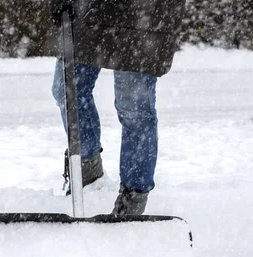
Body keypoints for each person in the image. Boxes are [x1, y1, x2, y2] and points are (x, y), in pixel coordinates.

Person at [50, 0, 186, 215]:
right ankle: (87, 173)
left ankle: (133, 200)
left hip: (145, 13)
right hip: (91, 7)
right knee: (67, 91)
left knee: (134, 109)